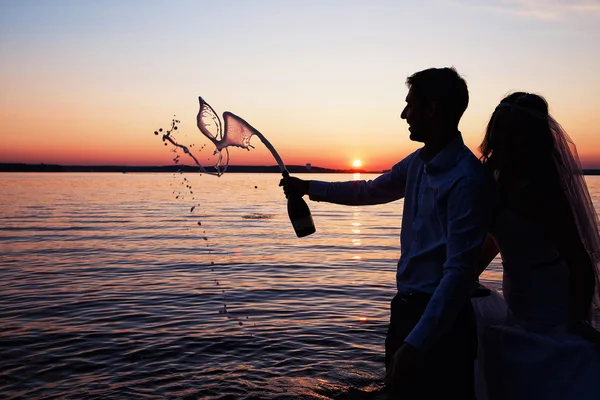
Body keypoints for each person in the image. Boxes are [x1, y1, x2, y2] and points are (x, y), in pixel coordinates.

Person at [280, 67, 490, 399]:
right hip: (406, 312)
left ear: (432, 109)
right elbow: (368, 191)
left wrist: (416, 343)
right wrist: (307, 187)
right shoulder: (418, 163)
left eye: (410, 104)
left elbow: (459, 273)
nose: (404, 114)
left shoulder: (467, 179)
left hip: (441, 324)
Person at [473, 92, 600, 400]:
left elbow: (580, 261)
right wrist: (464, 275)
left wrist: (577, 321)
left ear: (530, 137)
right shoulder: (495, 177)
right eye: (498, 127)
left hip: (549, 303)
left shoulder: (543, 191)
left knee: (546, 371)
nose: (503, 137)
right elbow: (498, 239)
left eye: (514, 130)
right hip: (517, 295)